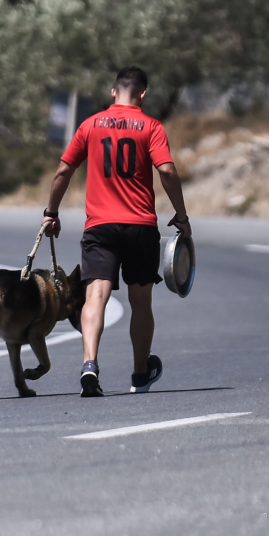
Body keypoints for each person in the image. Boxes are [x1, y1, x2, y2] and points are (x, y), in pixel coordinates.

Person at [41, 66, 192, 397]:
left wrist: (51, 213)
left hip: (100, 227)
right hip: (140, 226)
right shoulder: (151, 127)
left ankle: (89, 365)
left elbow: (63, 170)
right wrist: (181, 216)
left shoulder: (90, 125)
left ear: (114, 92)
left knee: (96, 295)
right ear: (143, 94)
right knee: (141, 302)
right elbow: (167, 171)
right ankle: (140, 374)